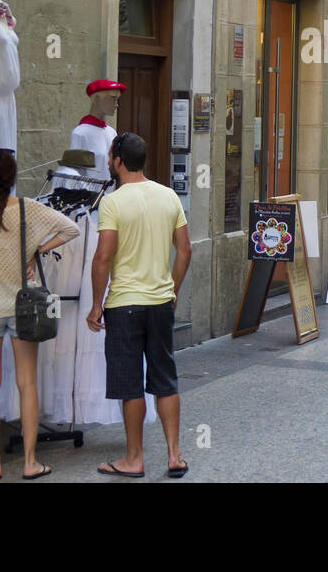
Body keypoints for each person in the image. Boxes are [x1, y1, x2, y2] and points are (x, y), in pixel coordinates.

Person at [0, 148, 81, 480]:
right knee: (27, 382)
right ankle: (30, 462)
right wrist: (36, 249)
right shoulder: (28, 209)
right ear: (12, 177)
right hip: (23, 306)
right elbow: (71, 229)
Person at [88, 133, 192, 479]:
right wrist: (172, 289)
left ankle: (134, 458)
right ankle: (174, 455)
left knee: (129, 382)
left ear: (118, 161)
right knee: (165, 377)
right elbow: (185, 249)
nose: (107, 162)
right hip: (161, 302)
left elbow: (103, 258)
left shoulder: (113, 202)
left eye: (109, 157)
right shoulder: (168, 196)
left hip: (124, 304)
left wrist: (96, 305)